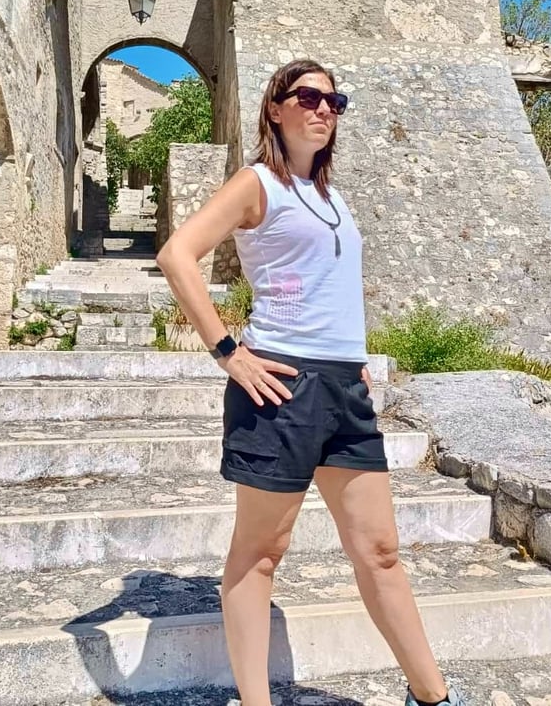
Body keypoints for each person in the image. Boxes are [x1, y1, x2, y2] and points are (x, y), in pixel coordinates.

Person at [156, 60, 466, 706]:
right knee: (261, 554)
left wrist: (352, 357)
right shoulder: (256, 182)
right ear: (276, 108)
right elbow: (177, 253)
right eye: (308, 96)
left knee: (380, 550)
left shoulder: (332, 197)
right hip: (280, 385)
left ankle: (432, 695)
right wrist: (227, 350)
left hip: (343, 389)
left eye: (334, 99)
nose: (324, 108)